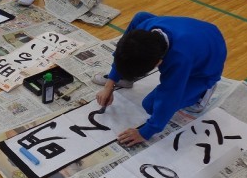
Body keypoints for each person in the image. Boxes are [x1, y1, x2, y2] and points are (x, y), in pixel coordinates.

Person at [93, 12, 227, 147]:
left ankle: (203, 91)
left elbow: (170, 96)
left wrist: (145, 132)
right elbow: (121, 53)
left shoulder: (179, 59)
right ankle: (125, 75)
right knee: (139, 21)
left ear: (159, 63)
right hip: (192, 32)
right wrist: (109, 85)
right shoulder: (141, 28)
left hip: (209, 59)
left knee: (151, 105)